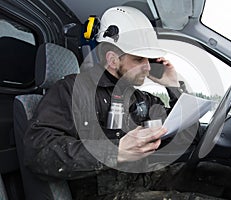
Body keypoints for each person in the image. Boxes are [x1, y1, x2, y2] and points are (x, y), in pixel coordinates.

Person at [23, 6, 213, 200]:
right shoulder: (73, 90)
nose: (148, 67)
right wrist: (115, 151)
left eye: (149, 59)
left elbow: (187, 132)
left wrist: (173, 85)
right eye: (139, 59)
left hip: (142, 176)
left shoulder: (140, 97)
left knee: (219, 176)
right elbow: (38, 153)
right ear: (113, 60)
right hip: (103, 192)